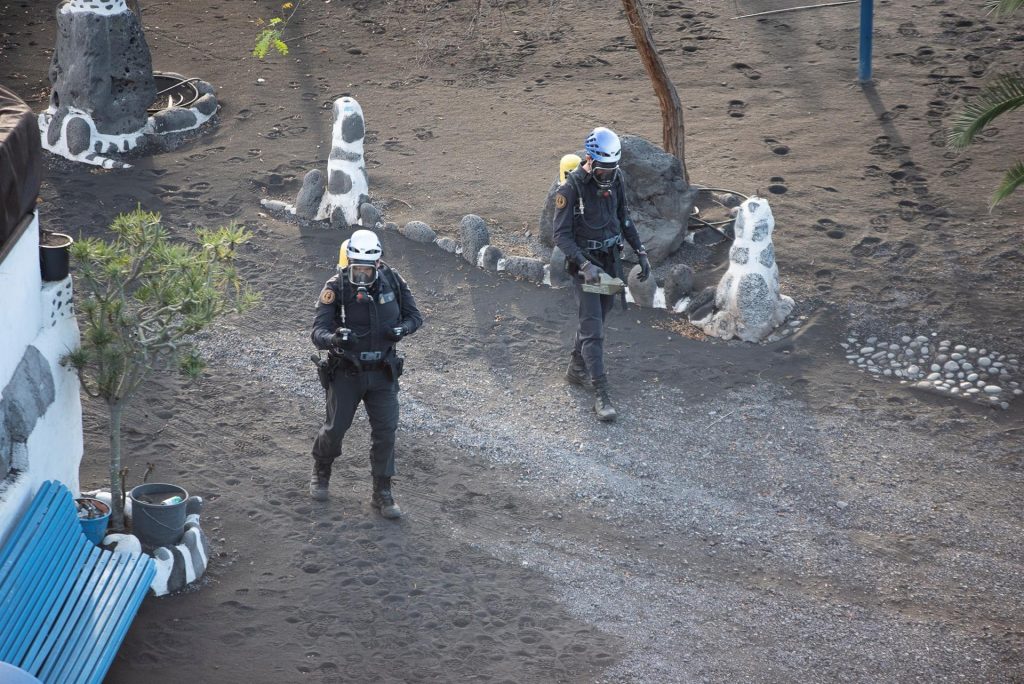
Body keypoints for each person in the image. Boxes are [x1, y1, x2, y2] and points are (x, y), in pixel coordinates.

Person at [309, 229, 423, 517]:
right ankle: (322, 470)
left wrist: (403, 330)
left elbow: (415, 317)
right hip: (346, 373)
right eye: (356, 270)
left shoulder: (393, 281)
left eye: (367, 271)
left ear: (378, 265)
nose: (361, 276)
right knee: (335, 429)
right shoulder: (336, 287)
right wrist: (334, 338)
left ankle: (382, 492)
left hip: (383, 373)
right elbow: (317, 332)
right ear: (349, 264)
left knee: (386, 432)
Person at [552, 126, 651, 422]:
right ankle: (601, 392)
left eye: (612, 169)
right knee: (594, 328)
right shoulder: (570, 190)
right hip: (586, 267)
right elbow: (561, 236)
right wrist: (584, 265)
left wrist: (641, 251)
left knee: (597, 316)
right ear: (590, 160)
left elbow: (624, 218)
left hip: (609, 262)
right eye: (603, 169)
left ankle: (575, 367)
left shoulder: (616, 179)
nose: (607, 175)